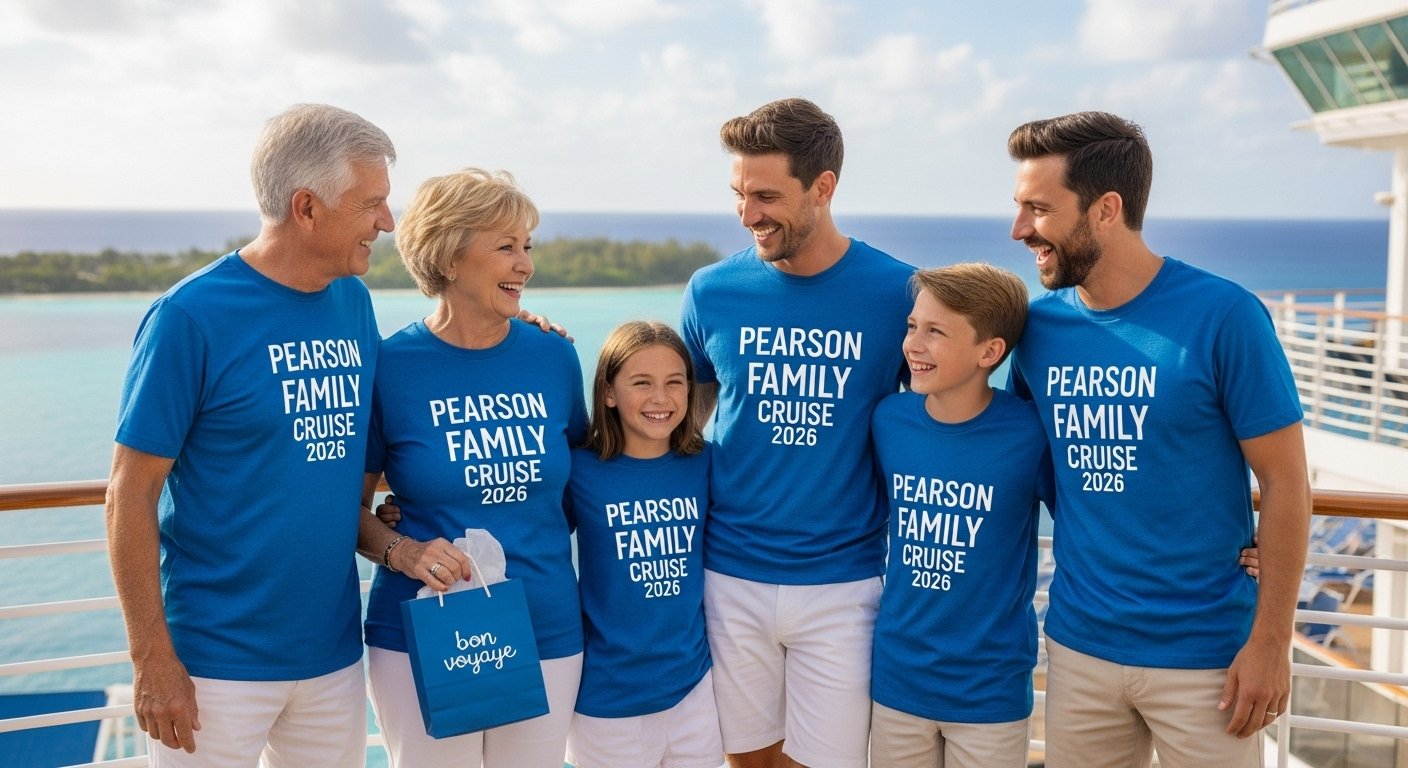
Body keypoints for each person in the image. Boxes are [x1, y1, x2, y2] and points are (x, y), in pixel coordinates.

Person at [1006, 111, 1312, 768]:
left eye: (1038, 208)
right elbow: (1016, 453)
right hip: (1079, 645)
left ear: (1106, 209)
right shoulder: (1037, 329)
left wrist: (1272, 641)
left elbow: (1286, 481)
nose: (1020, 229)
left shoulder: (1224, 316)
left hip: (1209, 660)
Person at [105, 103, 393, 765]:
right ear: (307, 207)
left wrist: (513, 328)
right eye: (370, 204)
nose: (387, 222)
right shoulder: (190, 317)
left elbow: (395, 414)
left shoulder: (354, 302)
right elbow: (130, 494)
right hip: (211, 666)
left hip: (332, 658)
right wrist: (152, 658)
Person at [679, 97, 914, 768]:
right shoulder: (711, 291)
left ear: (823, 187)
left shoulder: (899, 293)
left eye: (766, 196)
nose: (748, 214)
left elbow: (947, 415)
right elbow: (679, 415)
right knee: (747, 761)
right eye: (739, 194)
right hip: (728, 573)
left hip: (845, 582)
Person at [357, 167, 587, 768]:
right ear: (451, 257)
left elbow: (583, 486)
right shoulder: (389, 366)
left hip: (546, 625)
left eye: (527, 247)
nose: (525, 265)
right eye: (506, 247)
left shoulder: (554, 355)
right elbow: (347, 512)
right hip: (425, 629)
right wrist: (401, 546)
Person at [868, 263, 1052, 768]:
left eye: (936, 332)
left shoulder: (1029, 434)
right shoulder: (889, 420)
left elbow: (1098, 519)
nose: (913, 345)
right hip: (897, 679)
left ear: (989, 352)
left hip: (989, 690)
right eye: (912, 327)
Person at [564, 320, 723, 768]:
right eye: (641, 383)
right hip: (606, 702)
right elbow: (522, 527)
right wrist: (407, 514)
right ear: (609, 392)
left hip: (694, 694)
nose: (661, 398)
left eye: (676, 382)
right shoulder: (579, 471)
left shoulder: (708, 464)